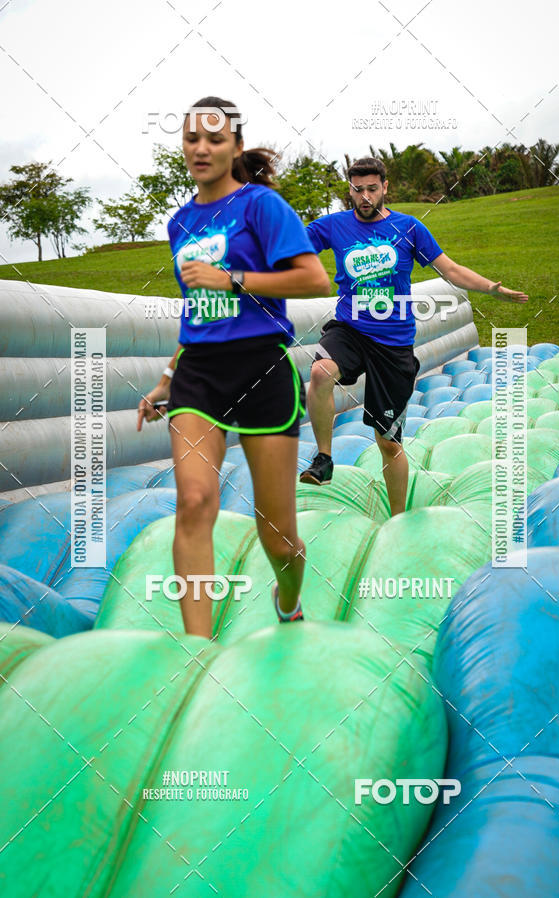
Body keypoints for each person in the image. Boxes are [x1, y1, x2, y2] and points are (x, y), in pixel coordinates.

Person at [137, 96, 330, 639]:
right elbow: (197, 312)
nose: (201, 148)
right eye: (192, 138)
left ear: (236, 147)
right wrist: (166, 379)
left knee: (278, 537)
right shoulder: (180, 222)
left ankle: (288, 599)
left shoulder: (262, 206)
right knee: (195, 500)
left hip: (262, 367)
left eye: (215, 139)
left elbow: (315, 280)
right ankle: (196, 651)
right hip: (199, 373)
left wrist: (234, 279)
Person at [300, 156, 528, 515]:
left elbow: (450, 269)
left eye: (372, 188)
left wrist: (490, 288)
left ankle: (398, 517)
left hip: (393, 345)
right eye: (357, 189)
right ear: (350, 190)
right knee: (320, 372)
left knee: (388, 443)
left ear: (385, 187)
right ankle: (324, 459)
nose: (365, 196)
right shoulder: (333, 225)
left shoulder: (409, 228)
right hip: (351, 329)